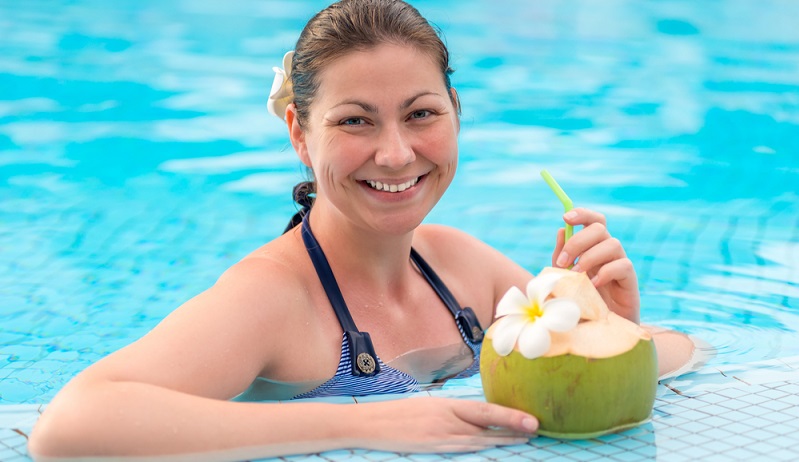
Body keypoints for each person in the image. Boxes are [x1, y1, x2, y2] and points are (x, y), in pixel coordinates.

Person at [28, 0, 695, 460]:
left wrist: (616, 329)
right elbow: (70, 426)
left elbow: (686, 351)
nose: (397, 153)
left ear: (455, 114)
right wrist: (373, 421)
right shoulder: (273, 299)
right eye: (355, 121)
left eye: (421, 114)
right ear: (298, 131)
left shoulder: (465, 269)